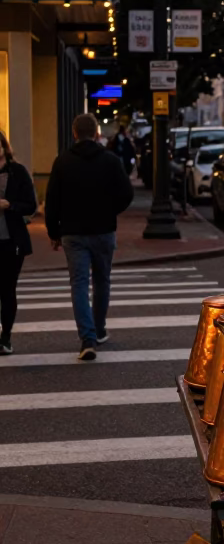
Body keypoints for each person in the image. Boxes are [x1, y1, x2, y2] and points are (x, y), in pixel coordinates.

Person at [45, 112, 134, 360]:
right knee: (102, 281)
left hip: (73, 233)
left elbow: (52, 201)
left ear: (74, 133)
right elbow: (126, 194)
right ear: (96, 133)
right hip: (104, 230)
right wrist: (110, 210)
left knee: (79, 284)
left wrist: (54, 232)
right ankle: (100, 328)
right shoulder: (110, 161)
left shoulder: (62, 162)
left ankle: (87, 338)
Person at [0, 131, 37, 354]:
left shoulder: (17, 172)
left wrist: (10, 205)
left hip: (10, 240)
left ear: (4, 147)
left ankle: (5, 337)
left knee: (7, 290)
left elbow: (30, 205)